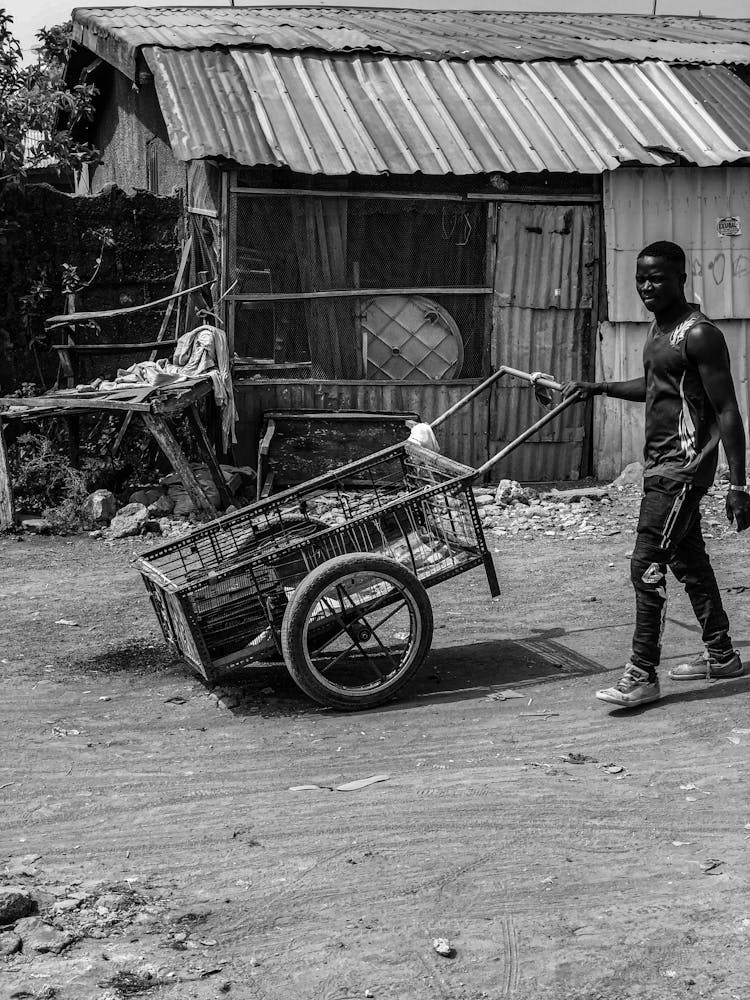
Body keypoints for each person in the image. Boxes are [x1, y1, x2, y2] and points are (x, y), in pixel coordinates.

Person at [562, 240, 749, 708]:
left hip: (682, 470)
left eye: (658, 278)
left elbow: (728, 410)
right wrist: (598, 387)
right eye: (641, 278)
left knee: (645, 564)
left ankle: (642, 674)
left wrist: (740, 484)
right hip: (660, 465)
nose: (647, 286)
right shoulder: (660, 329)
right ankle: (722, 654)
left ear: (681, 279)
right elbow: (654, 386)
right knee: (689, 562)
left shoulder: (699, 335)